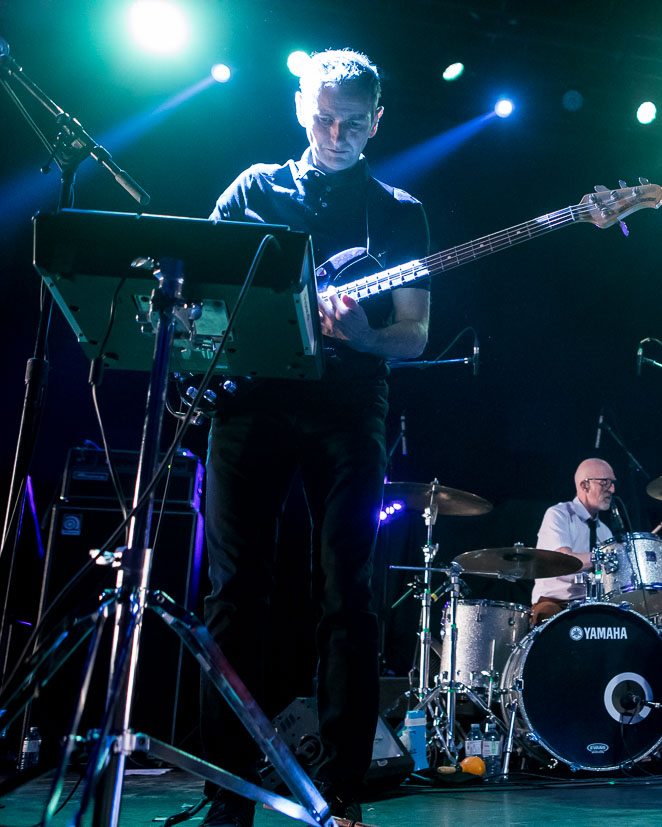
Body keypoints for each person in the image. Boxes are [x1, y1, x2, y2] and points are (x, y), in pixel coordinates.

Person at [199, 49, 430, 826]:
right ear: (302, 108)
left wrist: (363, 334)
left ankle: (341, 791)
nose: (336, 135)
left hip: (349, 408)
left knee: (347, 594)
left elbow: (415, 334)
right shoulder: (253, 190)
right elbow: (203, 298)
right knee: (235, 591)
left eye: (354, 123)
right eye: (325, 118)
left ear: (378, 121)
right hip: (251, 404)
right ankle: (227, 789)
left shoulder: (398, 210)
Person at [530, 458, 617, 625]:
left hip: (592, 604)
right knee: (549, 617)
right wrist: (603, 556)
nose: (612, 489)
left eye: (613, 483)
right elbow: (564, 560)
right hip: (555, 602)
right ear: (585, 485)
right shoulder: (558, 514)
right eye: (605, 482)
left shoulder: (605, 531)